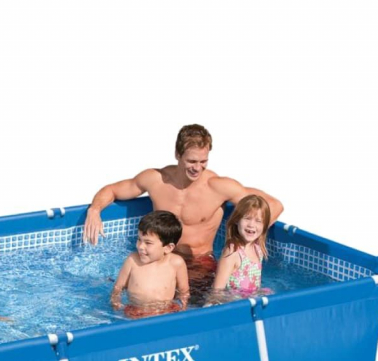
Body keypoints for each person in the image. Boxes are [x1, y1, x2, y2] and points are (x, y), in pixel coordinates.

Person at [83, 124, 283, 300]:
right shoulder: (156, 180)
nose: (198, 168)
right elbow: (113, 190)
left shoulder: (218, 186)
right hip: (162, 258)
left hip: (200, 265)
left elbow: (274, 205)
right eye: (192, 161)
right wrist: (95, 209)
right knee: (133, 295)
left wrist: (244, 239)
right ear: (178, 155)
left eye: (203, 161)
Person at [110, 210, 190, 318]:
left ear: (168, 247)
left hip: (165, 312)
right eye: (139, 239)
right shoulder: (132, 260)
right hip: (135, 312)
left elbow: (184, 292)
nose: (140, 246)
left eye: (148, 243)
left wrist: (182, 309)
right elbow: (118, 288)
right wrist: (116, 304)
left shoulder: (176, 263)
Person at [211, 195, 272, 299]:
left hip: (248, 300)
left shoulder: (258, 249)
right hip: (232, 302)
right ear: (236, 220)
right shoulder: (232, 252)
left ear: (264, 226)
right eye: (247, 218)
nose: (251, 225)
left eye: (258, 221)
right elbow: (217, 291)